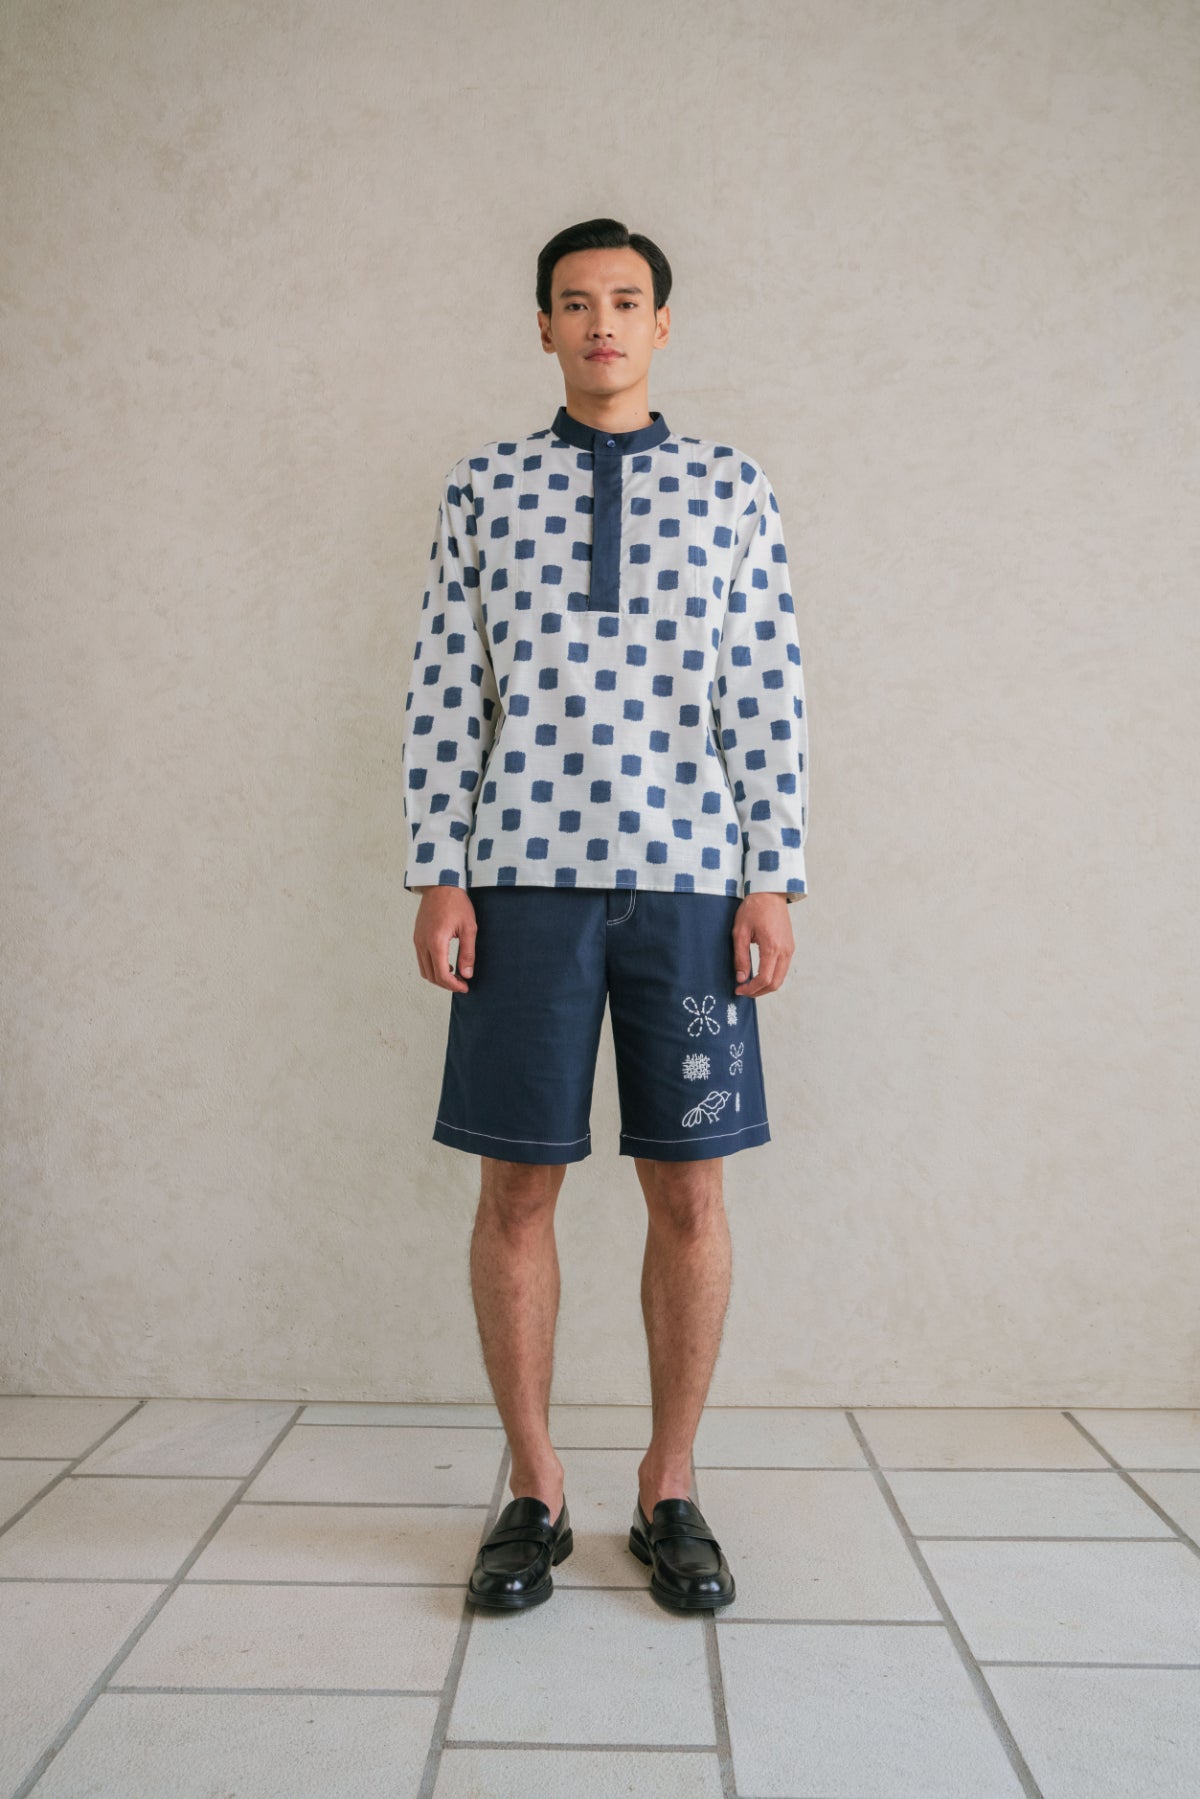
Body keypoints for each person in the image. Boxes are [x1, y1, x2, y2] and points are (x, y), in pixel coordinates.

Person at [399, 217, 809, 1613]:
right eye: (575, 303)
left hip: (692, 887)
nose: (602, 325)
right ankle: (534, 1487)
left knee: (689, 1188)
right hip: (521, 881)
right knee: (518, 1186)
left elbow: (767, 687)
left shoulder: (732, 487)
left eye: (626, 302)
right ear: (543, 326)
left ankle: (669, 1484)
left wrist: (773, 874)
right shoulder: (484, 487)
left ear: (663, 324)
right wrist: (438, 867)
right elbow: (446, 685)